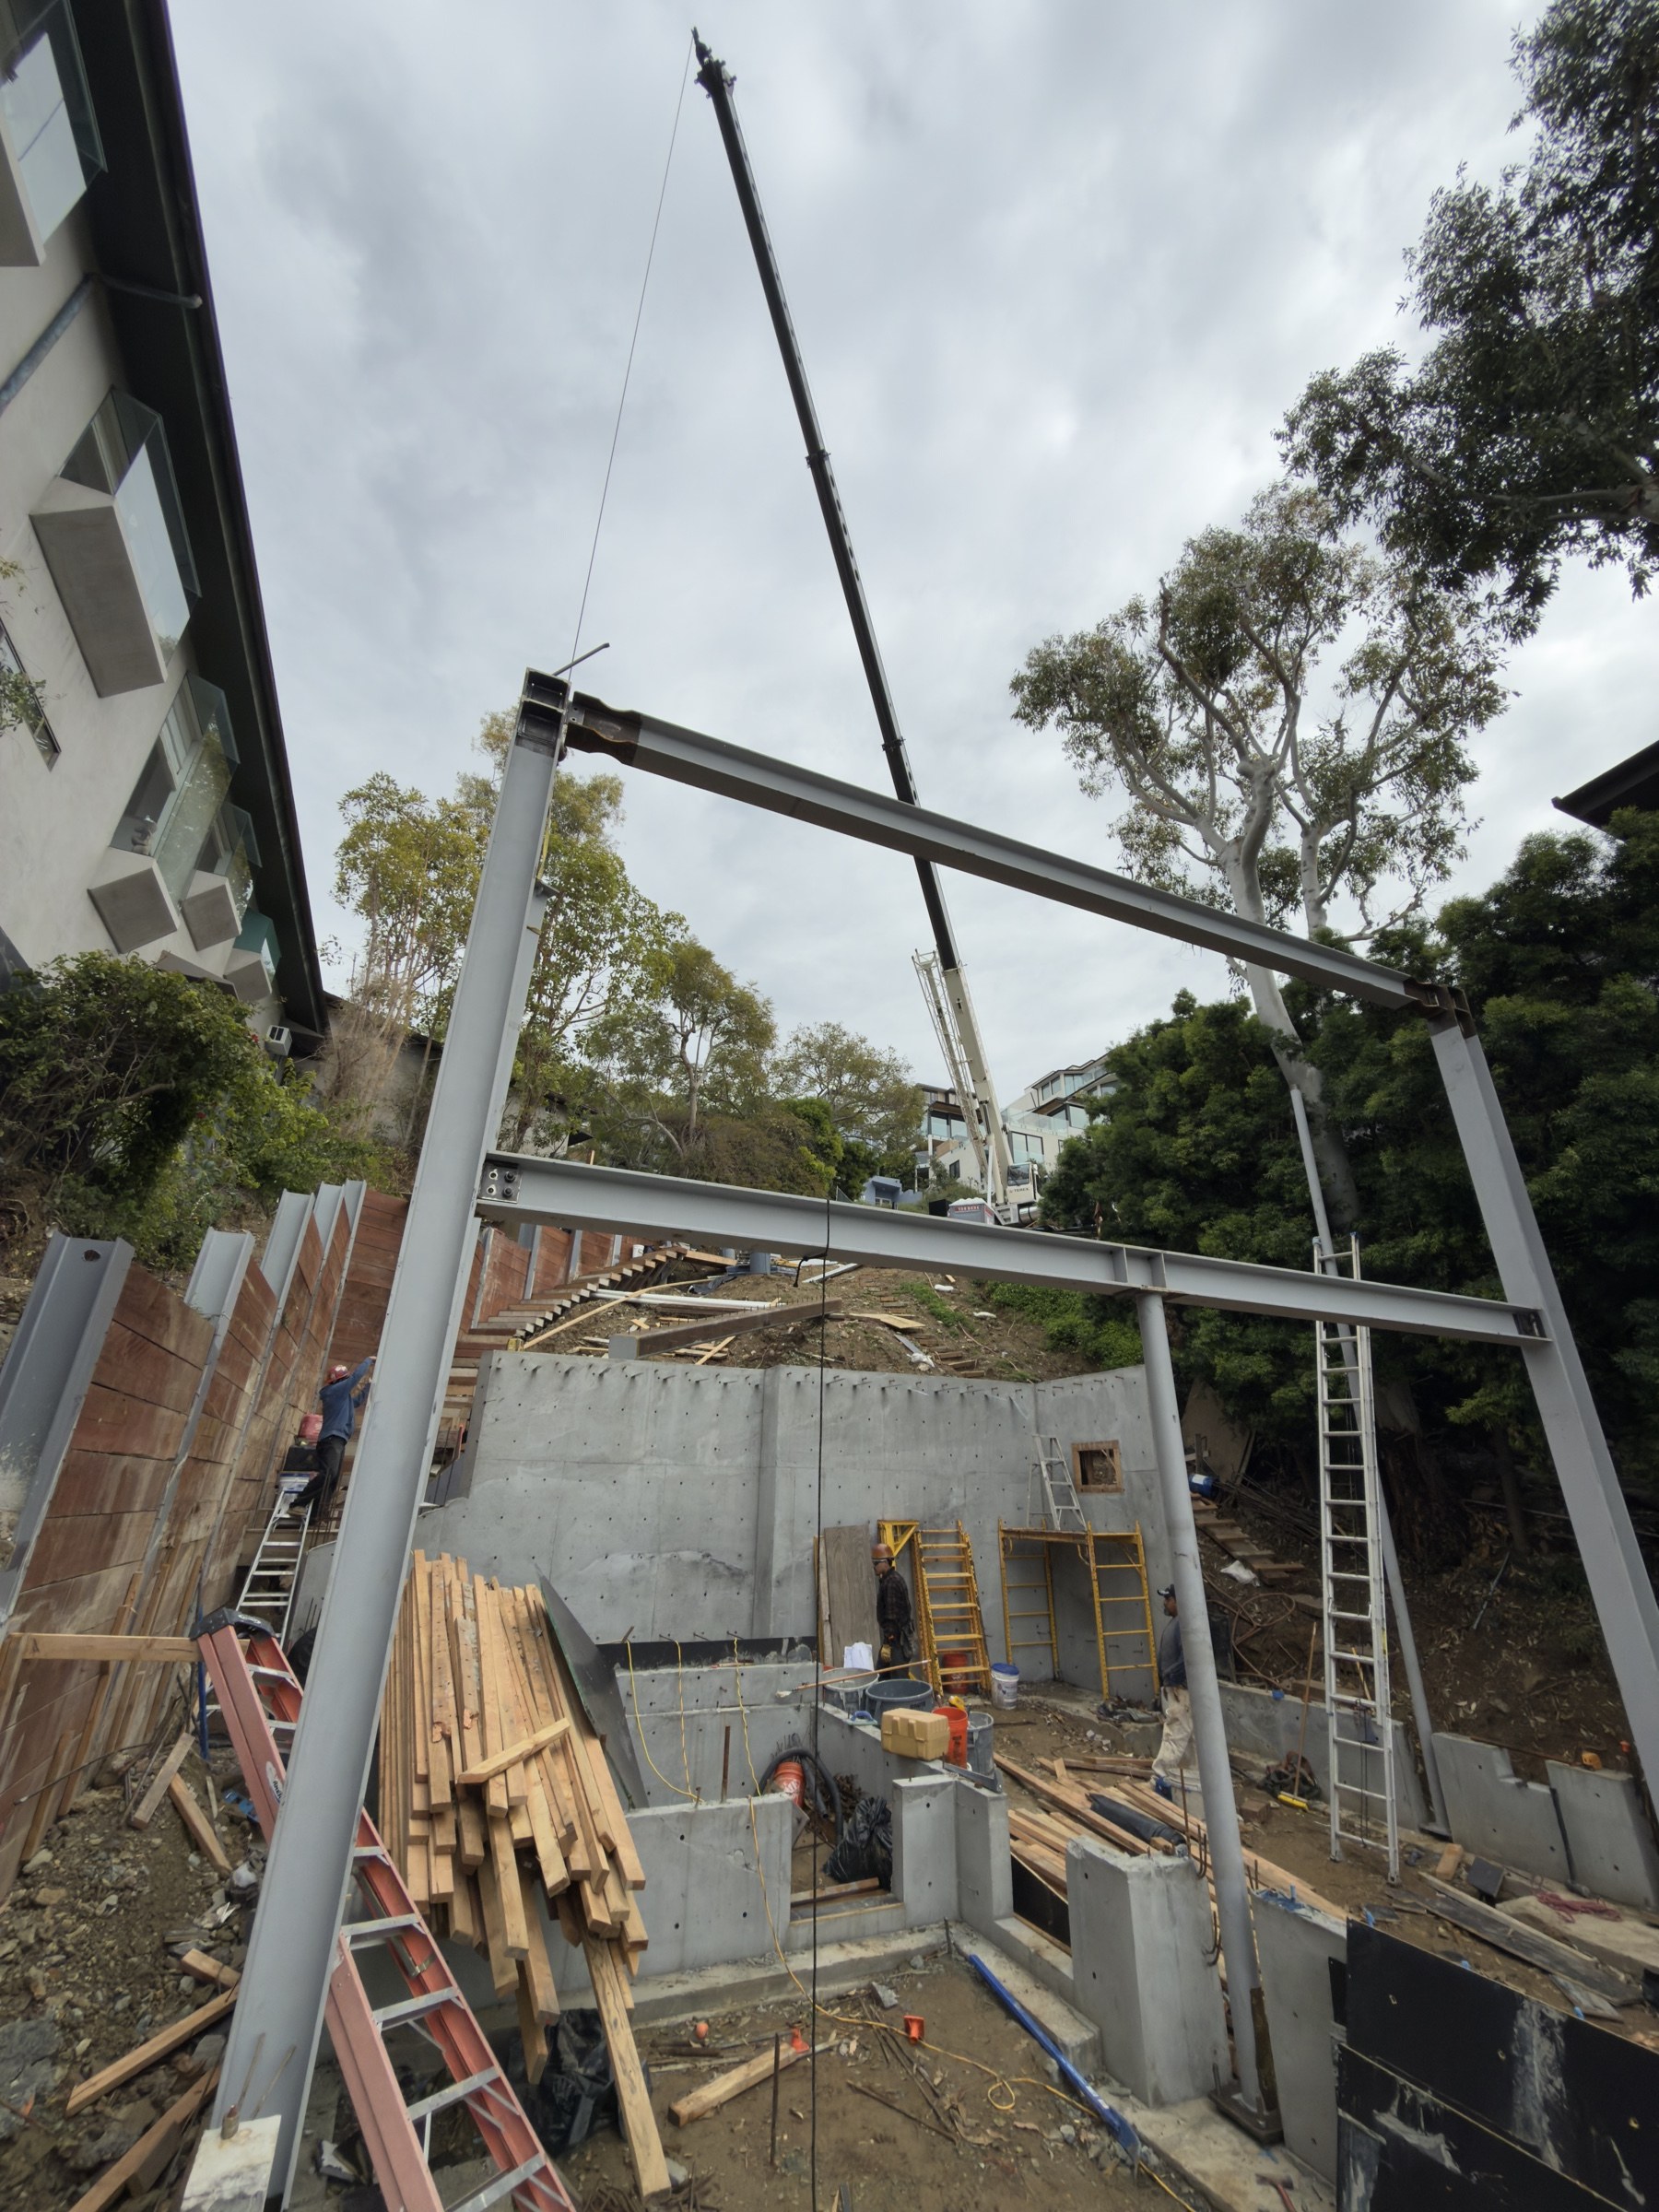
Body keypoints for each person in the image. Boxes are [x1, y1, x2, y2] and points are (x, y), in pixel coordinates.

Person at [288, 1356, 374, 1522]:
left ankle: (317, 1516)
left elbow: (356, 1402)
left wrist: (369, 1385)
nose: (346, 1383)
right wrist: (368, 1360)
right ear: (339, 1381)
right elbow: (355, 1378)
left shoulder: (342, 1398)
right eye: (345, 1380)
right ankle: (298, 1503)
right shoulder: (334, 1392)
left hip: (337, 1441)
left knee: (332, 1480)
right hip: (331, 1440)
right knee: (328, 1474)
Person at [1151, 1583, 1195, 1799]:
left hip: (1181, 1689)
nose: (1165, 1603)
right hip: (1175, 1687)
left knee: (1175, 1733)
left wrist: (1172, 1676)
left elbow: (1188, 1657)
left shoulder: (1185, 1625)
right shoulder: (1176, 1623)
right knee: (1190, 1738)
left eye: (1168, 1599)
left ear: (1179, 1601)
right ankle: (1193, 1779)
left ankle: (1159, 1778)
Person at [872, 1541, 913, 1673]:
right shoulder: (890, 1580)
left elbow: (892, 1616)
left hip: (896, 1641)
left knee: (899, 1678)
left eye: (876, 1563)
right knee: (882, 1675)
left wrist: (889, 1642)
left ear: (885, 1563)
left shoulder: (891, 1582)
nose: (874, 1567)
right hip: (893, 1639)